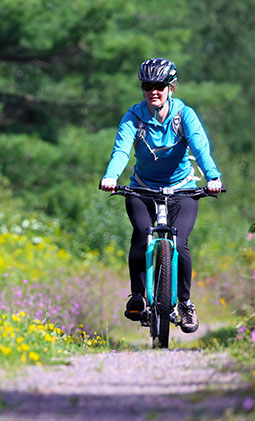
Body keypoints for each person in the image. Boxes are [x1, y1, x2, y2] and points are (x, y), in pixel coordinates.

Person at [99, 58, 223, 333]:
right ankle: (139, 296)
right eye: (147, 86)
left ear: (171, 87)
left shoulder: (184, 115)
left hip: (182, 188)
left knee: (180, 242)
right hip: (142, 187)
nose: (153, 91)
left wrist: (213, 177)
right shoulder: (134, 116)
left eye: (159, 86)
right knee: (142, 234)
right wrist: (111, 177)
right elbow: (121, 150)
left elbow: (201, 148)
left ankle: (185, 303)